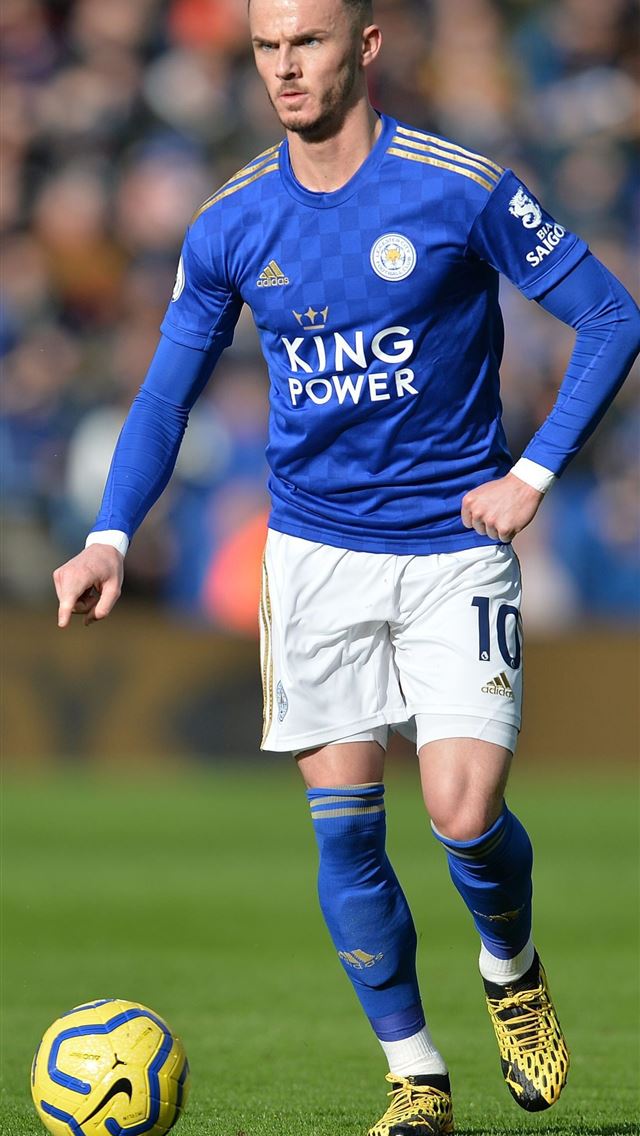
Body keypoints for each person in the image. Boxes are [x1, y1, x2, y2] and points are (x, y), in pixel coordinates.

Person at [53, 1, 640, 1133]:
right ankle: (415, 1077)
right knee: (347, 828)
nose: (284, 67)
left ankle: (511, 967)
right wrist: (110, 534)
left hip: (453, 549)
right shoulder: (230, 222)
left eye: (308, 42)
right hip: (316, 557)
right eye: (266, 47)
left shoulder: (457, 187)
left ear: (365, 45)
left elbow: (610, 318)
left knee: (463, 811)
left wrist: (534, 473)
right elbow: (167, 394)